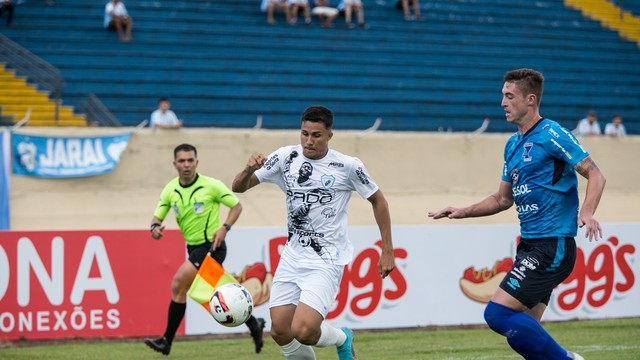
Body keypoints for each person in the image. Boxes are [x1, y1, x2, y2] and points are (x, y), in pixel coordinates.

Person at [428, 68, 606, 360]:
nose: (502, 102)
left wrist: (587, 211)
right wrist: (463, 211)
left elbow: (595, 173)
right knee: (524, 335)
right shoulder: (512, 145)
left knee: (497, 314)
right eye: (502, 95)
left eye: (509, 96)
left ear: (531, 100)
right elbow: (501, 199)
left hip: (553, 245)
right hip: (531, 245)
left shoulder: (552, 133)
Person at [232, 105, 395, 360]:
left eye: (316, 135)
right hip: (292, 256)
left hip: (325, 260)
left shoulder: (347, 166)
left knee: (304, 331)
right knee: (280, 331)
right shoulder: (286, 157)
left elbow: (379, 201)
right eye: (304, 133)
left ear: (330, 135)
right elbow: (239, 187)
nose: (309, 141)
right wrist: (247, 170)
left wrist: (387, 250)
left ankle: (343, 337)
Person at [144, 143, 266, 356]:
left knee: (178, 284)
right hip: (194, 249)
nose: (186, 165)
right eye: (182, 161)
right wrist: (154, 228)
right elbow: (157, 218)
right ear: (175, 164)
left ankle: (166, 341)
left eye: (190, 160)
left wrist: (224, 228)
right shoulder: (170, 190)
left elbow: (236, 206)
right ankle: (255, 324)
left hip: (212, 246)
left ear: (197, 162)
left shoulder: (212, 185)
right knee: (221, 296)